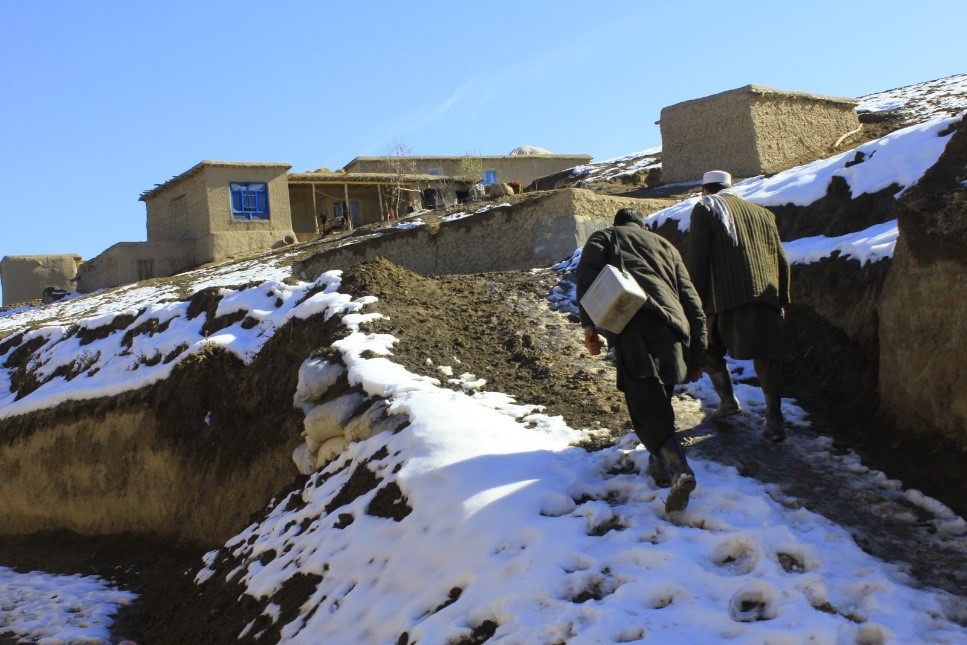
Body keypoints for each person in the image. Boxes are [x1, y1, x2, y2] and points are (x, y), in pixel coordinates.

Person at [577, 208, 707, 513]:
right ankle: (660, 470)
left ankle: (680, 472)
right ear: (643, 225)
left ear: (617, 223)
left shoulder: (606, 236)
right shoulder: (667, 247)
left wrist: (589, 328)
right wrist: (699, 354)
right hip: (676, 334)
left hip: (637, 332)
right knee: (658, 404)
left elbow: (587, 279)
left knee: (646, 413)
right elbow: (692, 301)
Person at [685, 170, 791, 442]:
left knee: (708, 350)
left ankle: (728, 401)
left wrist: (692, 301)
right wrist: (782, 299)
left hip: (727, 298)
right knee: (768, 358)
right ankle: (774, 420)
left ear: (705, 190)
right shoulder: (762, 213)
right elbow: (780, 257)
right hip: (766, 296)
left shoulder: (706, 208)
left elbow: (698, 259)